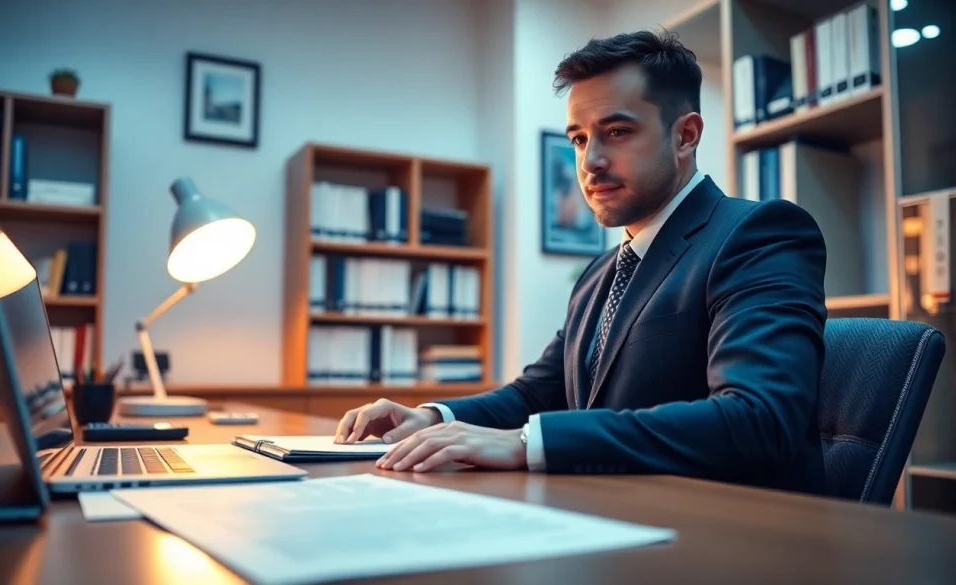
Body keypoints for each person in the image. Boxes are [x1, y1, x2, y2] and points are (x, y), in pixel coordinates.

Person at [333, 29, 829, 495]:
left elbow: (758, 420)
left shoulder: (758, 233)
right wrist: (433, 418)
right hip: (611, 516)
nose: (590, 161)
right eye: (578, 138)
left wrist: (529, 442)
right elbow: (535, 395)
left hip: (731, 538)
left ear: (686, 136)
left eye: (615, 131)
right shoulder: (600, 275)